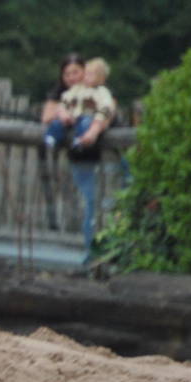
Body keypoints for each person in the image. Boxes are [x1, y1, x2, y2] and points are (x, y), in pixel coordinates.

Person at [61, 58, 119, 254]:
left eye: (81, 72)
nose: (78, 77)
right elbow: (57, 112)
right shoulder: (71, 94)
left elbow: (107, 111)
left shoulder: (101, 93)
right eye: (67, 73)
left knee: (99, 205)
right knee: (91, 204)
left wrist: (93, 128)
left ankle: (100, 251)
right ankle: (90, 251)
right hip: (81, 157)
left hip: (101, 157)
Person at [41, 53, 87, 150]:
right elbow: (46, 117)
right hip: (76, 155)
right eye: (67, 74)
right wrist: (62, 114)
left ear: (84, 71)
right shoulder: (60, 92)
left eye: (75, 73)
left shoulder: (98, 90)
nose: (71, 78)